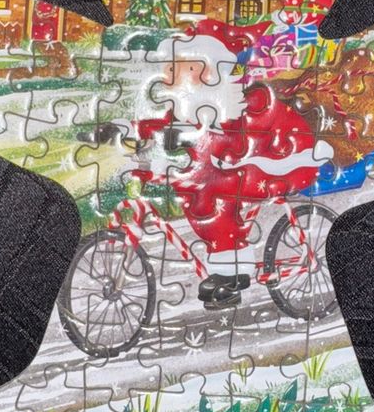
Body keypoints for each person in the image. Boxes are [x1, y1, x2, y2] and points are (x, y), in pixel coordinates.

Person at [133, 20, 333, 309]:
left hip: (278, 162)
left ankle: (230, 275)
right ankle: (229, 265)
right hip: (240, 167)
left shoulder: (235, 105)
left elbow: (226, 142)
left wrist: (188, 145)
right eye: (168, 69)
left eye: (177, 68)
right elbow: (166, 125)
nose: (168, 76)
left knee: (215, 191)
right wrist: (127, 130)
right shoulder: (188, 104)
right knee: (197, 191)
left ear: (206, 71)